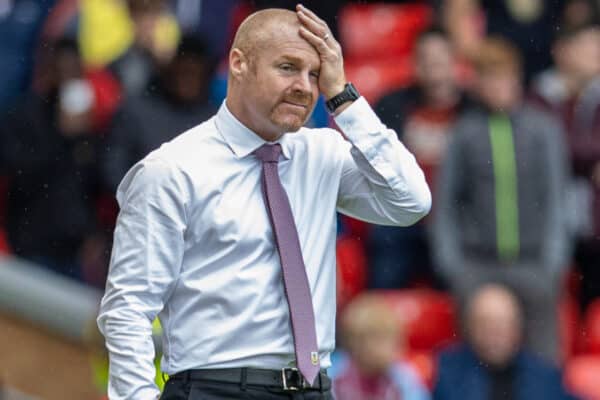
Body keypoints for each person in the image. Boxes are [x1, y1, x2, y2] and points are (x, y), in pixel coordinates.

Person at [97, 5, 431, 400]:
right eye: (288, 67)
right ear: (238, 63)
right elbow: (128, 310)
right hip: (213, 389)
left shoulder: (321, 152)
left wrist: (343, 94)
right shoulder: (172, 170)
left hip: (314, 389)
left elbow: (411, 201)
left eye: (314, 73)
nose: (305, 87)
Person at [432, 37, 570, 364]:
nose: (497, 86)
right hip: (476, 266)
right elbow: (446, 203)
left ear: (517, 79)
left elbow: (557, 198)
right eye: (488, 77)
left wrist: (552, 263)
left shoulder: (544, 129)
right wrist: (453, 266)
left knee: (544, 360)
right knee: (474, 362)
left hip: (534, 263)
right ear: (476, 83)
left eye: (503, 76)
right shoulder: (463, 132)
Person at [367, 27, 469, 289]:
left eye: (440, 61)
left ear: (454, 63)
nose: (434, 70)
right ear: (415, 64)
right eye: (426, 61)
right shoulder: (392, 105)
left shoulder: (474, 110)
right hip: (402, 214)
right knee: (385, 256)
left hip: (458, 216)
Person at [0, 38, 104, 282]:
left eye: (73, 73)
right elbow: (19, 173)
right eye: (62, 71)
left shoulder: (87, 127)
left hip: (72, 251)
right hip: (30, 244)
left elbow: (94, 183)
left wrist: (92, 231)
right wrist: (61, 136)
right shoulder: (23, 116)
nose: (67, 80)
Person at [529, 20, 600, 312]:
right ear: (563, 51)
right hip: (545, 216)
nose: (597, 52)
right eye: (589, 45)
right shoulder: (538, 96)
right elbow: (548, 150)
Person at [101, 35, 217, 192]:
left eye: (193, 74)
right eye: (183, 73)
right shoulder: (136, 110)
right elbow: (113, 168)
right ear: (171, 71)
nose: (187, 81)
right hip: (143, 208)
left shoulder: (216, 121)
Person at [433, 284, 579, 400]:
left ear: (517, 328)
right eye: (486, 323)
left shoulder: (545, 376)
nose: (495, 332)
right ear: (470, 327)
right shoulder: (446, 372)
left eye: (502, 324)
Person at [331, 293, 430, 400]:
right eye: (377, 338)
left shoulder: (404, 379)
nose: (387, 348)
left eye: (391, 338)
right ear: (354, 342)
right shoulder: (334, 373)